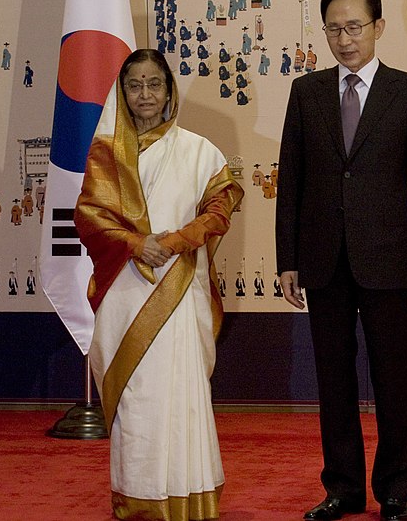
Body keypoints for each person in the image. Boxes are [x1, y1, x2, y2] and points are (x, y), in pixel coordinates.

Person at [275, 0, 407, 521]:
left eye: (354, 27)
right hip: (322, 260)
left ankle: (396, 490)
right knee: (333, 380)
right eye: (333, 28)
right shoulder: (306, 92)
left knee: (395, 380)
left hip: (389, 258)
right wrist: (287, 260)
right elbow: (292, 183)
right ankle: (342, 488)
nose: (344, 39)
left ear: (378, 28)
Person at [74, 48, 243, 521]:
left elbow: (222, 204)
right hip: (127, 294)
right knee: (139, 398)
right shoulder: (108, 156)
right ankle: (140, 499)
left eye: (154, 84)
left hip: (181, 289)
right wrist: (136, 243)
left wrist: (177, 241)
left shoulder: (198, 150)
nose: (145, 94)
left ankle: (192, 496)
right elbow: (88, 218)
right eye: (134, 85)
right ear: (122, 93)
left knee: (183, 393)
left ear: (169, 90)